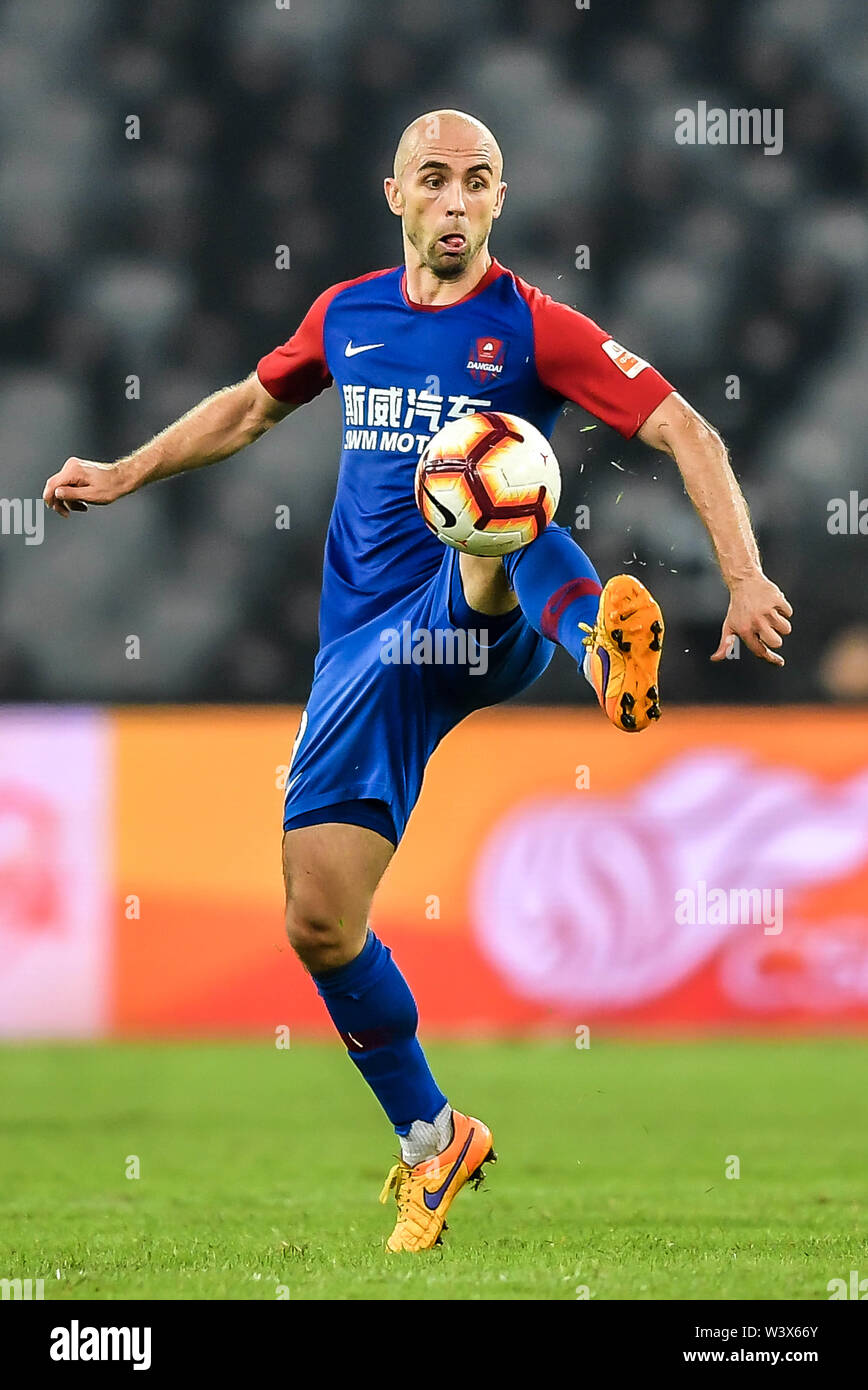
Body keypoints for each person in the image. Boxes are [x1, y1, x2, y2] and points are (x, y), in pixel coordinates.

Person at [43, 109, 792, 1252]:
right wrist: (126, 469)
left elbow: (685, 427)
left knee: (488, 490)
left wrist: (743, 577)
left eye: (477, 182)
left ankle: (597, 635)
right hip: (363, 657)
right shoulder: (346, 314)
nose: (455, 200)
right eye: (434, 181)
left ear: (501, 200)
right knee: (318, 920)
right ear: (395, 194)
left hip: (474, 619)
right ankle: (433, 1140)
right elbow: (250, 405)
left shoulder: (534, 328)